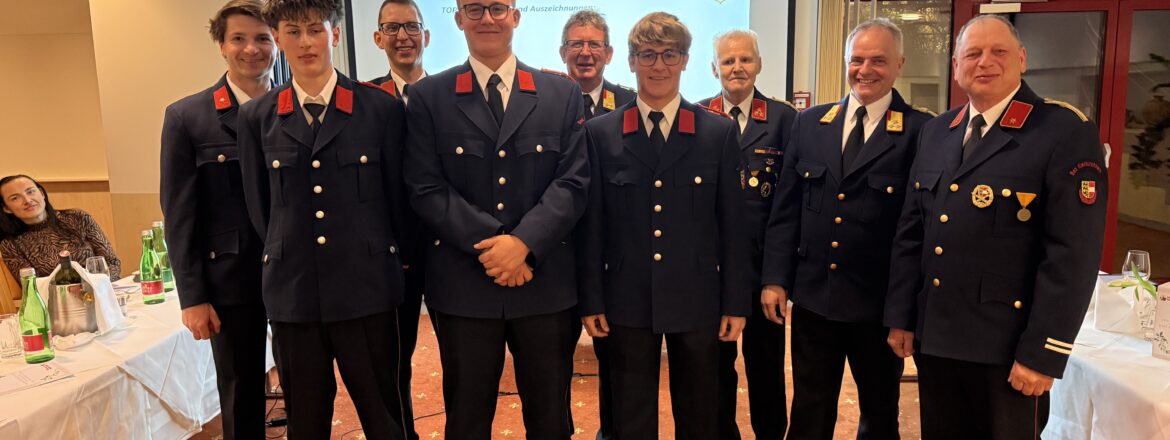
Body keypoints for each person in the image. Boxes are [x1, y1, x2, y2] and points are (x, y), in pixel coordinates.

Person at [883, 14, 1107, 439]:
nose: (984, 62)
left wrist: (1043, 352)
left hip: (1008, 351)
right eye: (972, 54)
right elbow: (912, 234)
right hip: (938, 341)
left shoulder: (1062, 131)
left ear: (1021, 59)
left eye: (998, 51)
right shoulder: (938, 132)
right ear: (956, 66)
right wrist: (902, 316)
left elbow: (1072, 255)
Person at [402, 1, 589, 438]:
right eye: (474, 8)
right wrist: (498, 245)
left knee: (550, 420)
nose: (487, 18)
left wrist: (523, 244)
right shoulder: (430, 97)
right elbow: (425, 187)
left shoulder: (560, 93)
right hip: (465, 285)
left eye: (498, 8)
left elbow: (573, 182)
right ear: (458, 19)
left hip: (542, 282)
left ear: (516, 16)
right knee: (467, 419)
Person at [237, 0, 418, 438]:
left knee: (386, 417)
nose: (305, 42)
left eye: (315, 30)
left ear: (335, 34)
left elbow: (399, 203)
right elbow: (261, 211)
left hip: (368, 291)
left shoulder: (380, 109)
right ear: (277, 38)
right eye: (293, 31)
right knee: (306, 422)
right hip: (295, 295)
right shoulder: (257, 117)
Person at [578, 12, 750, 439]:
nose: (659, 65)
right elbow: (592, 227)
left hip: (697, 297)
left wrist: (735, 303)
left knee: (700, 412)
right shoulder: (601, 133)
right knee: (629, 414)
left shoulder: (717, 133)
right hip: (626, 297)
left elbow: (733, 227)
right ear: (631, 61)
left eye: (670, 54)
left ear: (686, 60)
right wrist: (591, 298)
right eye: (648, 55)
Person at [760, 18, 931, 439]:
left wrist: (904, 312)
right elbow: (786, 210)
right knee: (809, 410)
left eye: (878, 61)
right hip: (815, 298)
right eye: (857, 60)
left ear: (899, 64)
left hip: (878, 306)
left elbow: (918, 231)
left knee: (879, 413)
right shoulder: (811, 123)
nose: (865, 70)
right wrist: (775, 279)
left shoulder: (920, 131)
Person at [158, 1, 273, 438]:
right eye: (239, 38)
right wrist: (192, 297)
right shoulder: (188, 117)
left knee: (307, 384)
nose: (251, 49)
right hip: (230, 279)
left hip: (297, 274)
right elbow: (179, 214)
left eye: (262, 38)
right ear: (222, 46)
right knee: (241, 391)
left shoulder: (295, 106)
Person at [696, 28, 797, 440]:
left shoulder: (785, 119)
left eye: (745, 59)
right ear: (713, 68)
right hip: (712, 272)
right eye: (728, 60)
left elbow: (788, 208)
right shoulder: (697, 116)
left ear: (759, 64)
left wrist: (777, 278)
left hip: (761, 272)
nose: (737, 67)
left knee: (766, 368)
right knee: (714, 370)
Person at [557, 10, 635, 440]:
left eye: (594, 45)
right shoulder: (546, 101)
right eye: (576, 44)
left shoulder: (630, 103)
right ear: (562, 52)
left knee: (617, 363)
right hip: (558, 255)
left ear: (609, 53)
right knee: (551, 363)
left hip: (611, 259)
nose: (585, 52)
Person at [0, 175, 121, 285]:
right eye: (15, 198)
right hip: (58, 299)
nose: (27, 200)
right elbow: (32, 285)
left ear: (41, 193)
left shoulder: (77, 218)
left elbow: (112, 262)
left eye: (30, 192)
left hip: (104, 290)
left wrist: (95, 288)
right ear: (6, 208)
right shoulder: (10, 244)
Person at [370, 0, 428, 104]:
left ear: (426, 38)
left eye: (412, 26)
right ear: (379, 39)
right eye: (392, 28)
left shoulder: (447, 95)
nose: (402, 36)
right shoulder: (366, 99)